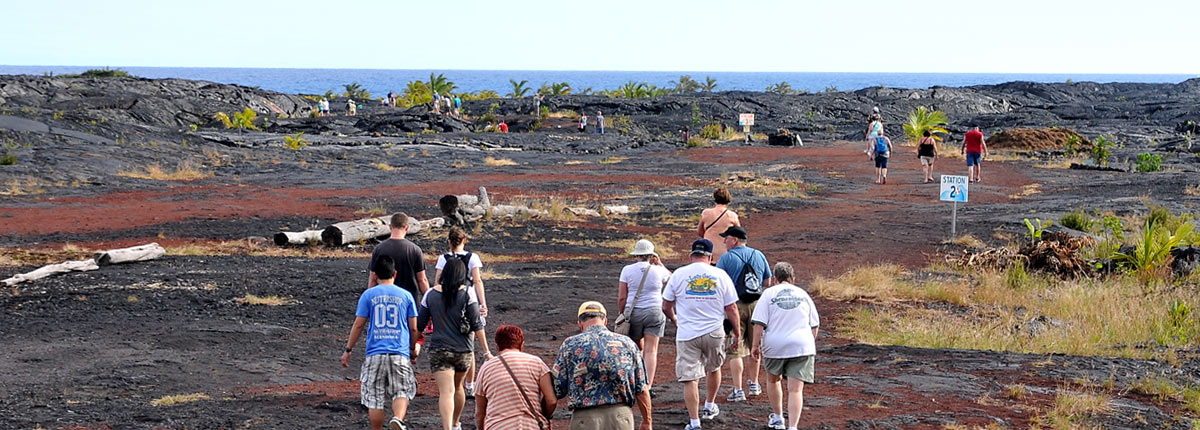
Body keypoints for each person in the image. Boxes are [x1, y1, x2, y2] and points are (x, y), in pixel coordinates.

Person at [663, 239, 741, 430]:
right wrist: (738, 333)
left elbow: (666, 305)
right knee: (714, 368)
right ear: (710, 256)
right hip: (714, 331)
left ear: (691, 255)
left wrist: (674, 319)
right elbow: (731, 308)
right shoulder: (720, 274)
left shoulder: (679, 274)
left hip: (687, 333)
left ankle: (694, 421)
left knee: (690, 378)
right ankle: (709, 404)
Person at [341, 256, 419, 430]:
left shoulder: (368, 295)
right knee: (402, 390)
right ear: (395, 273)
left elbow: (359, 324)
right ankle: (398, 418)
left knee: (374, 397)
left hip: (375, 354)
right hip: (399, 353)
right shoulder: (406, 296)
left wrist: (348, 349)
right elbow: (414, 328)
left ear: (375, 275)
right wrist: (412, 348)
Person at [418, 257, 494, 430]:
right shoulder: (468, 292)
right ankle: (455, 423)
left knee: (446, 391)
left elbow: (420, 325)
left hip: (439, 350)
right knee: (458, 387)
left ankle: (447, 427)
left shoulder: (430, 294)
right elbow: (477, 324)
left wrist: (412, 346)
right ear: (462, 274)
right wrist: (486, 351)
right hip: (463, 350)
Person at [552, 301, 653, 430]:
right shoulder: (627, 343)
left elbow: (558, 387)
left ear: (580, 324)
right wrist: (647, 421)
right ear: (605, 321)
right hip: (621, 417)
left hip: (584, 419)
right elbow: (641, 388)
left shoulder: (570, 345)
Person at [750, 262, 819, 430]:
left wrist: (755, 346)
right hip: (802, 345)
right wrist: (809, 342)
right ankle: (793, 426)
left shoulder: (768, 294)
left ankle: (778, 417)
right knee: (796, 390)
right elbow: (814, 325)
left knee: (773, 381)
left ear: (775, 278)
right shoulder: (803, 294)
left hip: (775, 345)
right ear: (793, 279)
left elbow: (758, 324)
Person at [715, 226, 772, 402]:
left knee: (735, 349)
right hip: (757, 305)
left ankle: (738, 389)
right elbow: (767, 281)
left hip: (735, 306)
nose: (724, 241)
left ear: (735, 240)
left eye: (726, 238)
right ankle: (754, 384)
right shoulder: (759, 255)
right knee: (755, 345)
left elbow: (718, 285)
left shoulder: (725, 259)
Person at [433, 227, 489, 395]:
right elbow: (477, 281)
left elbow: (437, 282)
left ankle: (451, 380)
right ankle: (470, 385)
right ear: (464, 240)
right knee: (468, 345)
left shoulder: (443, 259)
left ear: (449, 241)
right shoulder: (472, 258)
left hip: (447, 305)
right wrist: (482, 304)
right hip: (467, 302)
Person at [617, 239, 673, 396]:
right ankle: (647, 386)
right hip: (655, 311)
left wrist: (623, 313)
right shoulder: (658, 270)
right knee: (651, 351)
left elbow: (622, 296)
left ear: (637, 255)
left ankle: (635, 381)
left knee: (636, 349)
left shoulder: (627, 270)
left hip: (633, 312)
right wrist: (660, 264)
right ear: (651, 255)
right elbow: (673, 279)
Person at [475, 325, 557, 430]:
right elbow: (551, 400)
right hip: (532, 426)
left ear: (498, 346)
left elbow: (480, 413)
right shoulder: (536, 363)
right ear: (522, 344)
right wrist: (546, 416)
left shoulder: (486, 368)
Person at [368, 213, 431, 300]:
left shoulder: (379, 249)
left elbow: (373, 278)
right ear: (407, 228)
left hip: (385, 300)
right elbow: (422, 280)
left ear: (390, 227)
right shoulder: (415, 250)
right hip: (409, 302)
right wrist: (429, 301)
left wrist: (369, 299)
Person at [696, 188, 741, 262]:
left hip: (708, 253)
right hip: (725, 254)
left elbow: (700, 232)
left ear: (715, 198)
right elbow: (739, 236)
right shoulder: (732, 216)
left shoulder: (706, 213)